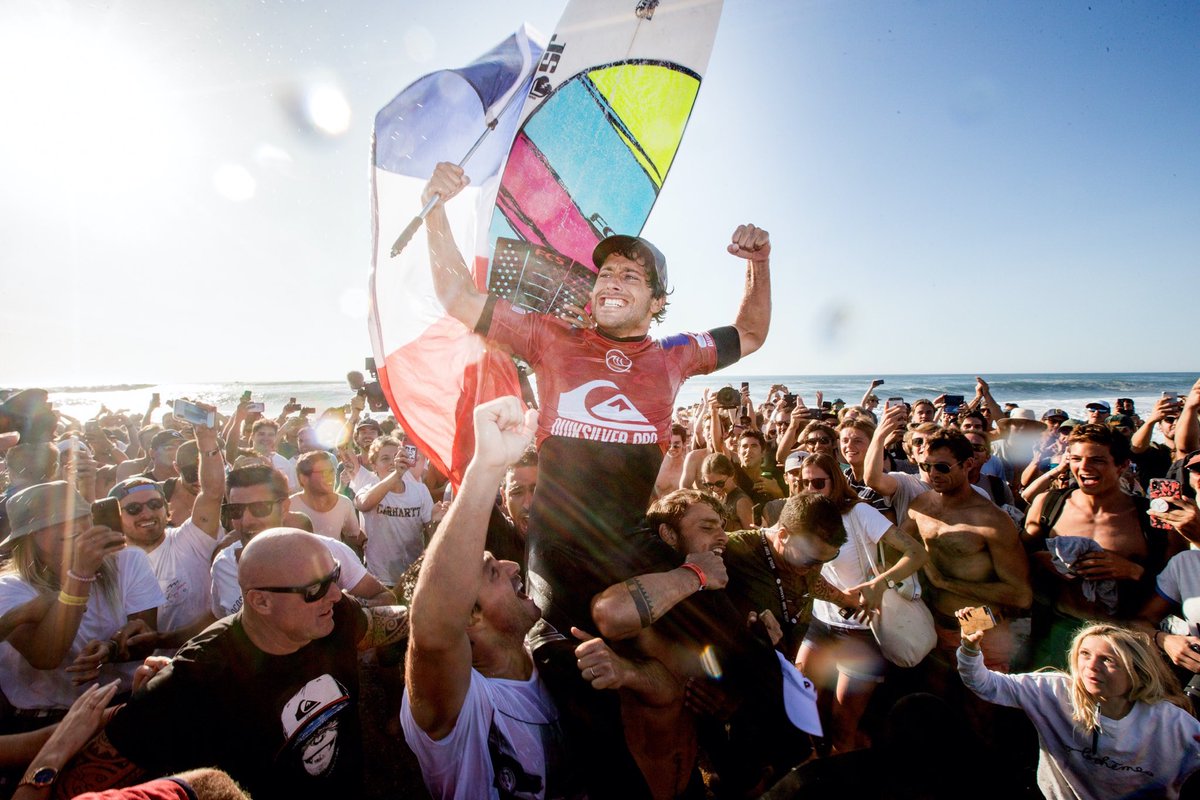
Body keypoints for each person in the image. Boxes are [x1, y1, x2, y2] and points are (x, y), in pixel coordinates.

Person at [422, 160, 771, 642]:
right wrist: (433, 209)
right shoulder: (551, 338)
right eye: (606, 273)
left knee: (738, 647)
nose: (611, 281)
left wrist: (758, 263)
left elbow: (751, 334)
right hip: (556, 564)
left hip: (633, 550)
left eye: (631, 276)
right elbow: (457, 294)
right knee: (576, 682)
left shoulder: (674, 355)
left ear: (656, 303)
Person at [54, 529, 411, 800]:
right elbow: (84, 781)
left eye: (334, 577)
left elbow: (378, 626)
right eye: (315, 588)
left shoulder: (332, 616)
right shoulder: (192, 679)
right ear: (260, 602)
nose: (336, 594)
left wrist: (446, 615)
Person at [400, 397, 583, 799]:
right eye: (493, 572)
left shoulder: (554, 661)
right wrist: (486, 467)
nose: (515, 568)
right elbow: (432, 630)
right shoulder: (462, 708)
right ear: (470, 617)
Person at [957, 616, 1200, 800]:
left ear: (1136, 671)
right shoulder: (1051, 691)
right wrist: (970, 648)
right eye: (1085, 654)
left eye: (1108, 659)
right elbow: (985, 684)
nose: (1091, 666)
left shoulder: (1173, 723)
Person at [794, 453, 928, 753]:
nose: (810, 490)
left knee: (845, 722)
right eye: (803, 483)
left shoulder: (858, 514)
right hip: (821, 623)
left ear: (835, 482)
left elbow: (916, 553)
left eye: (818, 483)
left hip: (860, 628)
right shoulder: (800, 516)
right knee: (805, 703)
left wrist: (880, 584)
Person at [0, 482, 163, 722]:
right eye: (57, 521)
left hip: (122, 706)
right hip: (48, 719)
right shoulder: (11, 587)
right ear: (32, 536)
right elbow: (46, 657)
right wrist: (80, 574)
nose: (75, 525)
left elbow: (145, 639)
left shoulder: (127, 561)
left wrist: (112, 649)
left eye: (80, 515)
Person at [1025, 424, 1184, 666]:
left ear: (1121, 465)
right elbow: (1017, 556)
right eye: (1076, 459)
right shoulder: (1048, 505)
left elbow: (1179, 584)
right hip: (1060, 627)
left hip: (1124, 636)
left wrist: (1133, 571)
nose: (1084, 468)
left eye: (1097, 460)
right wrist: (1041, 559)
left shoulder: (1148, 518)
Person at [899, 429, 1032, 673]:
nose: (933, 474)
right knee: (943, 701)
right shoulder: (921, 505)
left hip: (982, 626)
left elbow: (1021, 595)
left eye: (942, 467)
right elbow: (894, 547)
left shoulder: (991, 520)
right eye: (926, 466)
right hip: (935, 621)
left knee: (980, 707)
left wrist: (944, 582)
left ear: (968, 464)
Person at [210, 466, 393, 617]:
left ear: (284, 508)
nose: (247, 520)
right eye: (235, 510)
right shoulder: (223, 566)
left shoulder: (329, 551)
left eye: (260, 508)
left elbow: (385, 598)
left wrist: (343, 610)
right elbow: (220, 623)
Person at [354, 436, 435, 588]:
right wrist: (396, 474)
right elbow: (364, 504)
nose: (393, 462)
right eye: (385, 458)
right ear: (374, 466)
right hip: (380, 580)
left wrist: (437, 521)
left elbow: (432, 533)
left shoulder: (420, 491)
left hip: (412, 577)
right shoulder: (367, 489)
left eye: (397, 457)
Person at [289, 450, 362, 546]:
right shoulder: (290, 506)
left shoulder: (344, 503)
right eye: (323, 472)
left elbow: (354, 538)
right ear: (303, 478)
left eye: (331, 471)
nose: (330, 476)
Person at [698, 453, 754, 530]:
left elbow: (753, 537)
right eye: (709, 484)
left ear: (732, 475)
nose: (715, 489)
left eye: (720, 483)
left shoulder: (741, 502)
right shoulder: (714, 496)